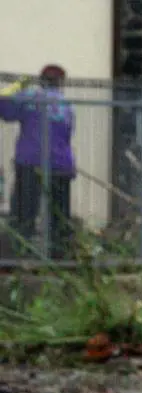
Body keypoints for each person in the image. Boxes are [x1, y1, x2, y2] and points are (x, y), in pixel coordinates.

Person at [0, 65, 75, 258]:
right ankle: (60, 256)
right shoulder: (66, 104)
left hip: (30, 162)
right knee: (59, 215)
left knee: (24, 213)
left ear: (40, 80)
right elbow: (68, 133)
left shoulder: (30, 97)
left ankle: (18, 256)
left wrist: (16, 86)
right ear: (61, 83)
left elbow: (4, 109)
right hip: (61, 164)